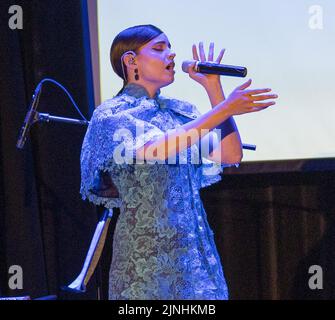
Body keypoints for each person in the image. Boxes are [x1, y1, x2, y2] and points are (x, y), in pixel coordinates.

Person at [80, 24, 278, 300]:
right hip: (145, 260)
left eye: (171, 48)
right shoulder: (113, 115)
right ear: (130, 61)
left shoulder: (179, 111)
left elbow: (231, 154)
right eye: (160, 49)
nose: (171, 55)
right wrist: (226, 108)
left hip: (195, 255)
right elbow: (158, 149)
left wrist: (214, 88)